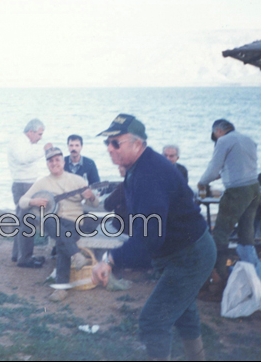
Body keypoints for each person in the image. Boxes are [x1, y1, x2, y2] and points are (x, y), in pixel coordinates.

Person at [92, 114, 216, 361]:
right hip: (179, 252)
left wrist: (110, 259)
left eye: (116, 143)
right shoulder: (138, 167)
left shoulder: (149, 174)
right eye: (107, 143)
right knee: (184, 313)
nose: (109, 148)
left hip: (190, 255)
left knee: (153, 321)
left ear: (137, 143)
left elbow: (150, 238)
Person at [19, 147, 99, 302]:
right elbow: (22, 201)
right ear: (47, 164)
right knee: (49, 220)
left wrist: (90, 197)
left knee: (62, 241)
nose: (54, 163)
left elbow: (95, 204)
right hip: (54, 223)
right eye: (50, 161)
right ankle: (76, 256)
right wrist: (33, 201)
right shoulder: (42, 182)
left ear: (63, 162)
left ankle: (61, 288)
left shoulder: (77, 180)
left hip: (74, 222)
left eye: (57, 160)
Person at [197, 119, 260, 296]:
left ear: (218, 130)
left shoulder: (224, 141)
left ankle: (219, 279)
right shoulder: (248, 139)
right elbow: (239, 165)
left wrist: (202, 182)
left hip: (237, 190)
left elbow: (214, 166)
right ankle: (253, 276)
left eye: (214, 136)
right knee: (246, 233)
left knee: (221, 233)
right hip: (254, 187)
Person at [7, 118, 52, 268]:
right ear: (31, 132)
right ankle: (24, 258)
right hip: (23, 185)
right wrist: (43, 150)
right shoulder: (19, 142)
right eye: (39, 134)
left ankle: (18, 254)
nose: (40, 138)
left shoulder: (24, 142)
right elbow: (23, 158)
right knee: (27, 221)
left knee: (23, 220)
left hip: (26, 184)